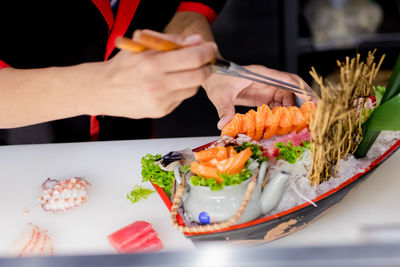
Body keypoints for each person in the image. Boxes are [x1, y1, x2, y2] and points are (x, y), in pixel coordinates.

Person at [0, 0, 306, 145]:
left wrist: (208, 67)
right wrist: (96, 89)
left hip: (129, 145)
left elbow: (183, 10)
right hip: (18, 156)